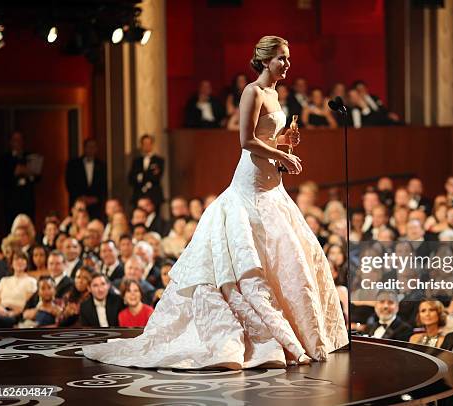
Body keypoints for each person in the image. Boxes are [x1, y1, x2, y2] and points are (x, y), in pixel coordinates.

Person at [82, 36, 348, 369]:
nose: (287, 65)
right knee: (251, 265)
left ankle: (299, 330)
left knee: (287, 256)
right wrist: (280, 152)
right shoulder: (251, 92)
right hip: (249, 183)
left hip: (272, 185)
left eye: (289, 59)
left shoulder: (275, 94)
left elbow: (265, 136)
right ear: (265, 60)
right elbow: (247, 140)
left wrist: (284, 140)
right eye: (282, 58)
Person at [0, 131, 40, 228]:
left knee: (28, 226)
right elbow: (1, 180)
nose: (18, 142)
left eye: (20, 140)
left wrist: (29, 173)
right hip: (11, 201)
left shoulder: (29, 156)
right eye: (15, 140)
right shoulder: (5, 159)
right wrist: (15, 172)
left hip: (27, 200)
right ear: (10, 142)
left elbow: (37, 177)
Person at [65, 138, 107, 220]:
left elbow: (104, 184)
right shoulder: (73, 164)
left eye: (93, 147)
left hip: (95, 205)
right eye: (89, 147)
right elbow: (69, 182)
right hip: (78, 203)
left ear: (96, 149)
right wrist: (80, 197)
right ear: (84, 148)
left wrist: (95, 198)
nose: (91, 149)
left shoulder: (102, 166)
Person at [128, 134, 165, 210]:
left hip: (154, 195)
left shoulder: (159, 160)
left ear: (152, 144)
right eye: (144, 143)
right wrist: (148, 174)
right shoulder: (136, 161)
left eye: (148, 143)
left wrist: (140, 177)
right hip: (139, 194)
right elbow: (131, 179)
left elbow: (156, 178)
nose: (146, 146)